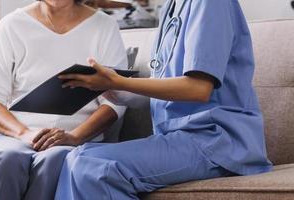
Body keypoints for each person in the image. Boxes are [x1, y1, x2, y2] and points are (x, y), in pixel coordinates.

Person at [55, 0, 273, 199]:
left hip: (218, 142)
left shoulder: (210, 3)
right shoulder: (171, 7)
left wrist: (118, 82)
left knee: (90, 166)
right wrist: (113, 92)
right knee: (77, 157)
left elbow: (198, 88)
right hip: (180, 138)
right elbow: (168, 89)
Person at [0, 0, 128, 199]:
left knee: (55, 158)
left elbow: (114, 102)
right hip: (17, 135)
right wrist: (24, 134)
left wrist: (74, 137)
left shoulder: (104, 26)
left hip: (77, 138)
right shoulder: (11, 25)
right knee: (6, 159)